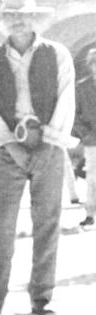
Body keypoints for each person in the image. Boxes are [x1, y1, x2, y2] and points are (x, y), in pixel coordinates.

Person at [0, 0, 77, 315]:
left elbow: (66, 100)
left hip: (49, 144)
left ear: (34, 18)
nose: (17, 21)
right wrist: (10, 145)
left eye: (23, 15)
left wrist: (49, 142)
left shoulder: (57, 54)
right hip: (9, 147)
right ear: (3, 19)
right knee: (3, 223)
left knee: (47, 221)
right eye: (11, 15)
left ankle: (42, 297)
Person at [74, 48, 96, 228]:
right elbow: (75, 115)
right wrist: (86, 134)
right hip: (92, 140)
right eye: (94, 62)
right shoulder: (81, 87)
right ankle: (90, 214)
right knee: (92, 178)